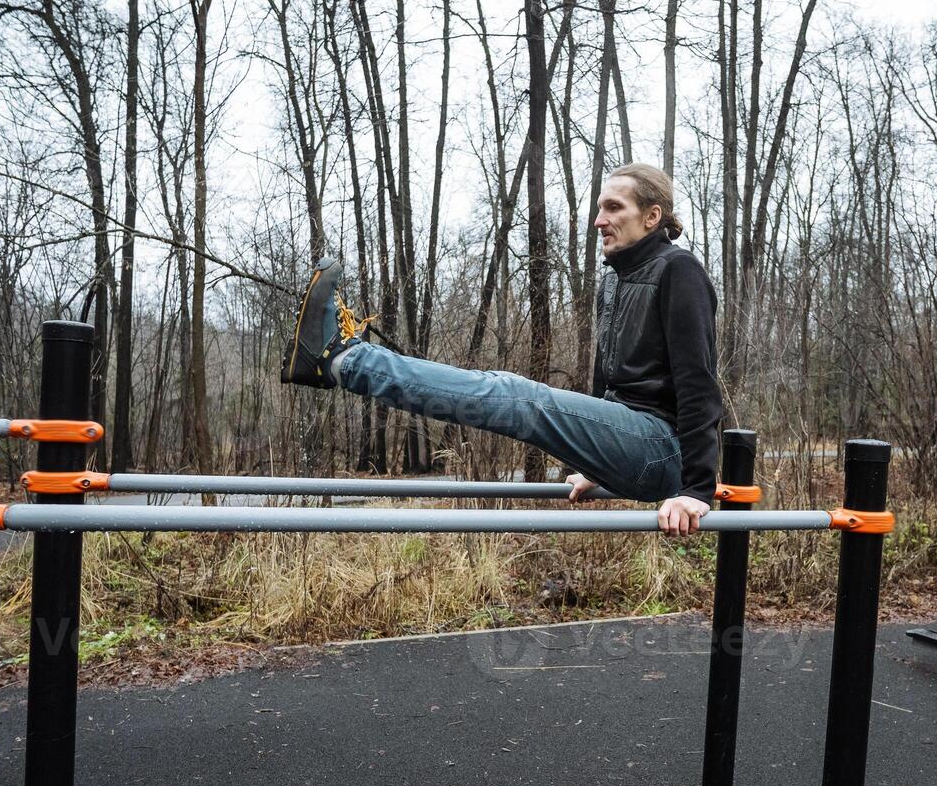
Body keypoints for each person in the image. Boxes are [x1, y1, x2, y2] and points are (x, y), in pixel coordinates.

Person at [281, 162, 723, 537]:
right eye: (599, 209)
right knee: (513, 397)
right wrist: (595, 461)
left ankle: (343, 360)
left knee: (517, 397)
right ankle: (340, 361)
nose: (598, 221)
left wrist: (696, 491)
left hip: (665, 450)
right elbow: (606, 389)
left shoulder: (678, 271)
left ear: (652, 216)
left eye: (613, 208)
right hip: (630, 442)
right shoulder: (615, 279)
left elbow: (698, 385)